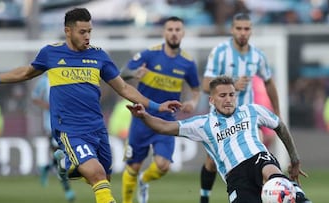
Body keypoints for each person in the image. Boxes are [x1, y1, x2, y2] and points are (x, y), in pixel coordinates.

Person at [0, 8, 180, 203]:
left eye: (90, 31)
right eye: (82, 32)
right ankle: (71, 159)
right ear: (68, 31)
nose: (87, 36)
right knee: (98, 174)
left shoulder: (99, 56)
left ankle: (69, 163)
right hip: (69, 128)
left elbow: (124, 88)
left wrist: (157, 106)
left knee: (102, 178)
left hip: (97, 128)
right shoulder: (50, 54)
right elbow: (24, 73)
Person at [127, 75, 311, 203]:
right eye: (222, 96)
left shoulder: (251, 110)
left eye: (231, 95)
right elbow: (165, 127)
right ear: (212, 100)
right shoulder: (203, 124)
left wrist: (294, 158)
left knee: (276, 183)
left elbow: (280, 126)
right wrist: (144, 116)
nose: (228, 99)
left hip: (259, 159)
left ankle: (298, 196)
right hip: (236, 176)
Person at [199, 12, 281, 203]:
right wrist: (232, 86)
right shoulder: (220, 52)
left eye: (246, 29)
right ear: (232, 29)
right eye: (239, 28)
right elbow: (205, 85)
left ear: (251, 30)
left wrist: (277, 113)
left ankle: (259, 195)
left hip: (247, 117)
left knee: (260, 152)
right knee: (211, 162)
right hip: (220, 118)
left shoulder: (258, 56)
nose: (243, 33)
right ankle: (204, 198)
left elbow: (269, 82)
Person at [121, 16, 201, 203]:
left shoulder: (187, 63)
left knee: (163, 166)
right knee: (133, 166)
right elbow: (122, 74)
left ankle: (145, 179)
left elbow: (196, 89)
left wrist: (193, 102)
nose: (174, 33)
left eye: (177, 30)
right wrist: (134, 73)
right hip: (142, 118)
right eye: (170, 29)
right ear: (164, 32)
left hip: (166, 121)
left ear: (182, 33)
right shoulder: (149, 54)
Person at [31, 73, 75, 202]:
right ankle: (68, 190)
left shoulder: (66, 77)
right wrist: (47, 106)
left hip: (67, 123)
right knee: (60, 156)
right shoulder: (44, 80)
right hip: (50, 124)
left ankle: (46, 167)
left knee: (66, 156)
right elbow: (34, 97)